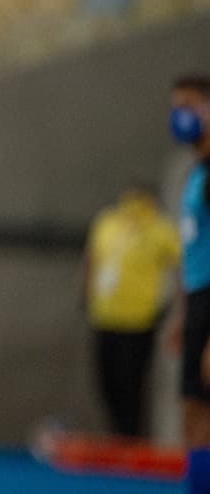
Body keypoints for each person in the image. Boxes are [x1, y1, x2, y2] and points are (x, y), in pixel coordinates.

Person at [82, 184, 180, 437]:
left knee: (132, 384)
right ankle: (118, 435)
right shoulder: (108, 222)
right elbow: (92, 258)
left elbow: (184, 266)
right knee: (107, 382)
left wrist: (174, 308)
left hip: (139, 319)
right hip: (105, 316)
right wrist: (87, 294)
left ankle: (132, 437)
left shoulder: (160, 228)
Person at [169, 73, 210, 492]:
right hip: (198, 299)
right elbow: (191, 250)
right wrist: (183, 315)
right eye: (174, 105)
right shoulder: (196, 173)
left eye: (188, 103)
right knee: (193, 413)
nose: (179, 114)